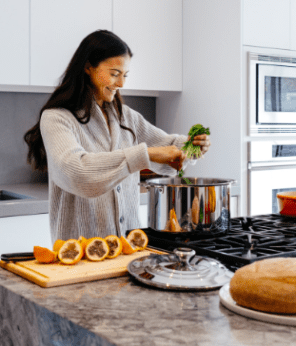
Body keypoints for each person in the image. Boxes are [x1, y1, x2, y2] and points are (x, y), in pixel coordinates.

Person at [24, 30, 210, 242]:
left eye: (125, 75)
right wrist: (145, 155)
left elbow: (168, 150)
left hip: (130, 248)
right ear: (88, 67)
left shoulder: (126, 117)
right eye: (114, 73)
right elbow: (77, 173)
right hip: (80, 253)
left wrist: (192, 146)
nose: (121, 83)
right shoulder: (57, 118)